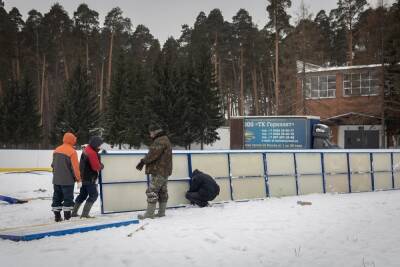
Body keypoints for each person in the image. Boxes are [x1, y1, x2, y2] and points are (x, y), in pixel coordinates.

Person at [136, 123, 172, 219]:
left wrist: (143, 161)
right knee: (162, 191)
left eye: (151, 132)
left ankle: (149, 214)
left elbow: (153, 154)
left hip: (159, 170)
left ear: (155, 132)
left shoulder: (160, 141)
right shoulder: (165, 139)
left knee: (152, 191)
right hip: (164, 170)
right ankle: (161, 212)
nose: (150, 135)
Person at [51, 132, 81, 222]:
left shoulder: (56, 150)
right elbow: (75, 168)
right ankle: (67, 218)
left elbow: (53, 165)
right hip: (67, 181)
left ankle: (57, 217)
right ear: (72, 140)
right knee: (68, 198)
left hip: (56, 180)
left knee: (57, 197)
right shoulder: (72, 151)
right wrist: (79, 179)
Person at [72, 136, 104, 218]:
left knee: (82, 195)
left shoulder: (87, 150)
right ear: (95, 144)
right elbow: (95, 167)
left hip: (83, 177)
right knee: (94, 195)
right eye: (99, 145)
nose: (100, 147)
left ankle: (74, 212)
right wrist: (101, 166)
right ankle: (85, 214)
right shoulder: (92, 153)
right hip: (89, 178)